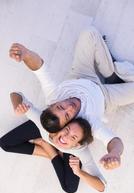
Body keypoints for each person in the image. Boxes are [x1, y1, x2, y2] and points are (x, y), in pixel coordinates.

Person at [8, 26, 125, 171]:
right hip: (107, 97)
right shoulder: (86, 125)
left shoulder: (53, 96)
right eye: (68, 115)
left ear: (53, 104)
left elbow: (39, 68)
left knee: (89, 33)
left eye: (60, 107)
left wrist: (26, 54)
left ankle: (111, 73)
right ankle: (114, 75)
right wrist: (115, 153)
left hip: (81, 75)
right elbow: (114, 140)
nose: (70, 107)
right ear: (70, 122)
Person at [0, 93, 105, 192]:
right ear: (63, 125)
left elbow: (101, 186)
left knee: (70, 188)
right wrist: (17, 107)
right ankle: (49, 145)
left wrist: (79, 172)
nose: (65, 136)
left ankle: (50, 149)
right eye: (66, 130)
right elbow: (16, 94)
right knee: (5, 144)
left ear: (77, 145)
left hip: (67, 148)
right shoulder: (44, 124)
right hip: (45, 130)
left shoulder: (78, 151)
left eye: (73, 137)